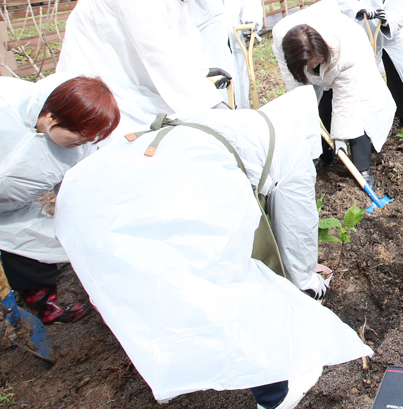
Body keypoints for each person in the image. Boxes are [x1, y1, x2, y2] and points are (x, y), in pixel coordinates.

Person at [54, 87, 371, 409]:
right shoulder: (294, 155)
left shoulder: (235, 122)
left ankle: (178, 355)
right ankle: (275, 394)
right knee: (241, 290)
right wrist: (306, 282)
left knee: (156, 287)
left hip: (90, 195)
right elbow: (296, 231)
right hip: (171, 198)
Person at [57, 0, 230, 138]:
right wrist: (211, 104)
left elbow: (185, 36)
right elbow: (159, 53)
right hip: (100, 73)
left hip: (130, 74)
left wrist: (202, 68)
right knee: (117, 135)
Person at [0, 74, 119, 325]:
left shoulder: (77, 150)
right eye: (80, 137)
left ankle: (43, 304)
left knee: (34, 241)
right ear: (53, 118)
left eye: (91, 139)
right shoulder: (5, 103)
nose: (84, 144)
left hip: (9, 211)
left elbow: (74, 194)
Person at [271, 1, 395, 188]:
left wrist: (340, 135)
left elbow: (345, 101)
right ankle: (323, 155)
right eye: (309, 63)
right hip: (304, 56)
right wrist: (306, 107)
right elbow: (297, 89)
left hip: (351, 54)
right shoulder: (282, 37)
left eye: (317, 61)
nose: (314, 66)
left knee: (354, 109)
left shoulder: (348, 51)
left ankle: (362, 168)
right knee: (314, 107)